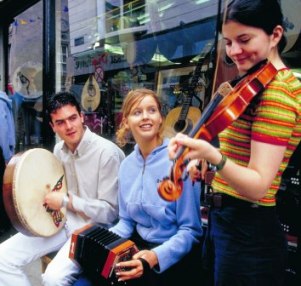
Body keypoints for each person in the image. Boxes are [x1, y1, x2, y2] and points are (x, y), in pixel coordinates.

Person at [168, 0, 301, 285]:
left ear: (275, 35)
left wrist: (213, 155)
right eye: (228, 42)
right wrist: (208, 164)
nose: (234, 52)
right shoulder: (253, 82)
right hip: (227, 222)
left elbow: (259, 185)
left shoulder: (277, 93)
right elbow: (239, 160)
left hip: (249, 233)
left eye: (244, 40)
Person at [74, 88, 203, 286]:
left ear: (161, 118)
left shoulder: (180, 160)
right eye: (137, 112)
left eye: (152, 110)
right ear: (126, 121)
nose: (145, 117)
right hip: (136, 249)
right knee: (81, 282)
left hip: (171, 257)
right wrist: (96, 244)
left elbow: (191, 230)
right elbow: (126, 221)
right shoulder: (126, 166)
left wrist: (154, 257)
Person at [0, 91, 125, 286]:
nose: (68, 127)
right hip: (63, 222)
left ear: (82, 117)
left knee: (53, 278)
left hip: (94, 229)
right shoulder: (59, 150)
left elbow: (110, 213)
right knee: (3, 258)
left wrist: (66, 201)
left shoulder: (106, 153)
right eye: (60, 122)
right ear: (52, 126)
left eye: (72, 118)